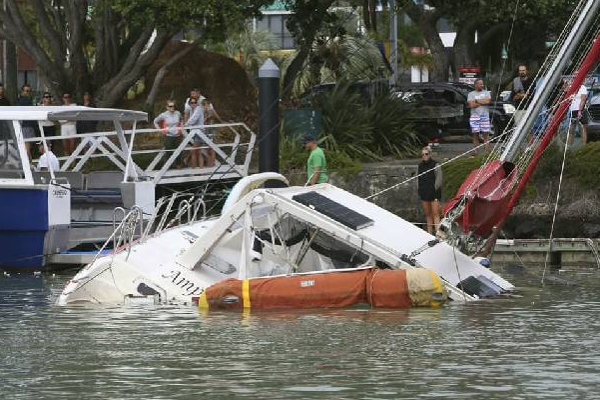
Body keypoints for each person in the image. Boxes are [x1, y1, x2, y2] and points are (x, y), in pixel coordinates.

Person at [417, 147, 442, 235]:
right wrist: (420, 190)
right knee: (428, 214)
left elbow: (439, 180)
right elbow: (418, 179)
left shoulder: (436, 165)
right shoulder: (420, 166)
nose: (424, 156)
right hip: (424, 193)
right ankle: (429, 233)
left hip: (434, 193)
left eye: (426, 154)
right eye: (422, 154)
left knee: (435, 213)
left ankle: (438, 233)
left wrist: (433, 190)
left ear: (430, 154)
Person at [154, 100, 182, 167]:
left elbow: (181, 121)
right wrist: (161, 130)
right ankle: (167, 167)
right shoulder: (164, 115)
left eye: (173, 106)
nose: (172, 107)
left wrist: (181, 128)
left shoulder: (178, 113)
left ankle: (179, 167)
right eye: (170, 106)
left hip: (177, 135)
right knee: (168, 151)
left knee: (179, 152)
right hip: (169, 136)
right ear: (167, 107)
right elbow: (155, 121)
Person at [467, 78, 491, 155]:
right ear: (476, 85)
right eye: (480, 84)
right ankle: (475, 151)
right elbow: (471, 105)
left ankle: (486, 152)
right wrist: (482, 102)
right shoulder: (471, 94)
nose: (482, 85)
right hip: (474, 116)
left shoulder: (486, 93)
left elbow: (488, 101)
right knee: (475, 135)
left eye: (482, 84)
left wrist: (476, 101)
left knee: (485, 135)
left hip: (485, 116)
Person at [183, 97, 204, 168]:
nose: (194, 104)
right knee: (198, 152)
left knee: (195, 151)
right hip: (195, 132)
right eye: (192, 103)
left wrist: (185, 124)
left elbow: (193, 120)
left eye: (195, 102)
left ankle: (195, 169)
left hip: (199, 133)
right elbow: (191, 119)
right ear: (189, 104)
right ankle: (198, 170)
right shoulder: (192, 110)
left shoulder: (198, 109)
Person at [17, 84, 36, 160]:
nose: (28, 92)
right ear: (22, 91)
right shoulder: (25, 100)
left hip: (26, 126)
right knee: (27, 148)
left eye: (29, 91)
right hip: (26, 126)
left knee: (27, 148)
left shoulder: (24, 100)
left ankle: (28, 164)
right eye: (26, 91)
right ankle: (28, 165)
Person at [202, 99, 221, 167]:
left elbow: (213, 117)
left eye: (207, 104)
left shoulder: (210, 111)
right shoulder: (203, 112)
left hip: (210, 131)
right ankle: (209, 164)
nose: (206, 106)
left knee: (211, 148)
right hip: (206, 131)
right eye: (205, 105)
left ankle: (211, 164)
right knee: (207, 149)